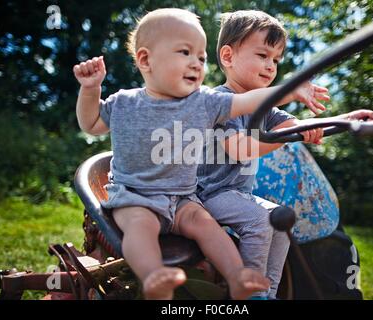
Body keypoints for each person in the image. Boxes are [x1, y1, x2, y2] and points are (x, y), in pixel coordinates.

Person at [73, 8, 327, 300]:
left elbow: (254, 101)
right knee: (140, 228)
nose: (196, 63)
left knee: (208, 227)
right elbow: (91, 124)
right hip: (138, 195)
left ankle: (242, 280)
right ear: (146, 60)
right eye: (185, 53)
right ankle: (154, 274)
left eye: (201, 58)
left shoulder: (201, 102)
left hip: (182, 198)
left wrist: (303, 110)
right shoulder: (125, 102)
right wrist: (90, 91)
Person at [197, 10, 373, 299]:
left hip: (235, 193)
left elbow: (301, 126)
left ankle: (268, 291)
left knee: (282, 221)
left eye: (276, 60)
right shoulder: (220, 103)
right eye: (263, 55)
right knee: (261, 221)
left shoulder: (264, 110)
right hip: (208, 194)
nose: (271, 66)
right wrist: (284, 137)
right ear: (228, 57)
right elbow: (242, 149)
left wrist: (348, 120)